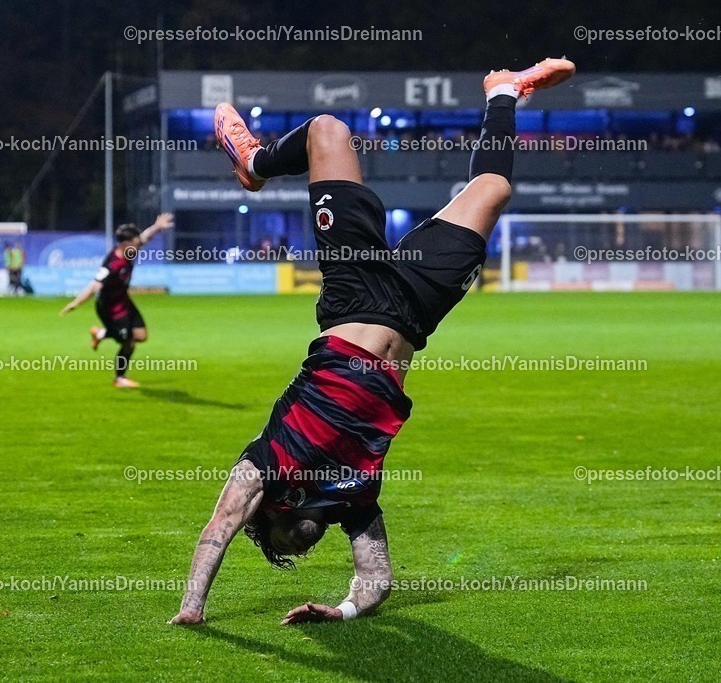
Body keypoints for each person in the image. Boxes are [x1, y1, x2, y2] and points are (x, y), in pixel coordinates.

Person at [169, 57, 576, 626]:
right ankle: (502, 92)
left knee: (327, 130)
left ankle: (254, 161)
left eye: (285, 549)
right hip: (413, 312)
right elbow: (377, 579)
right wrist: (341, 612)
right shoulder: (350, 497)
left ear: (270, 520)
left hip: (354, 296)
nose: (301, 551)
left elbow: (217, 530)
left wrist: (193, 608)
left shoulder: (264, 467)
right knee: (494, 187)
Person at [59, 214, 174, 387]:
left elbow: (145, 237)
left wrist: (157, 226)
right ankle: (119, 378)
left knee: (141, 336)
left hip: (124, 301)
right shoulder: (112, 265)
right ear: (125, 242)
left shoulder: (130, 249)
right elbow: (94, 286)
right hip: (109, 307)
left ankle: (100, 334)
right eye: (135, 240)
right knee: (129, 342)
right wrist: (75, 303)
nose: (138, 242)